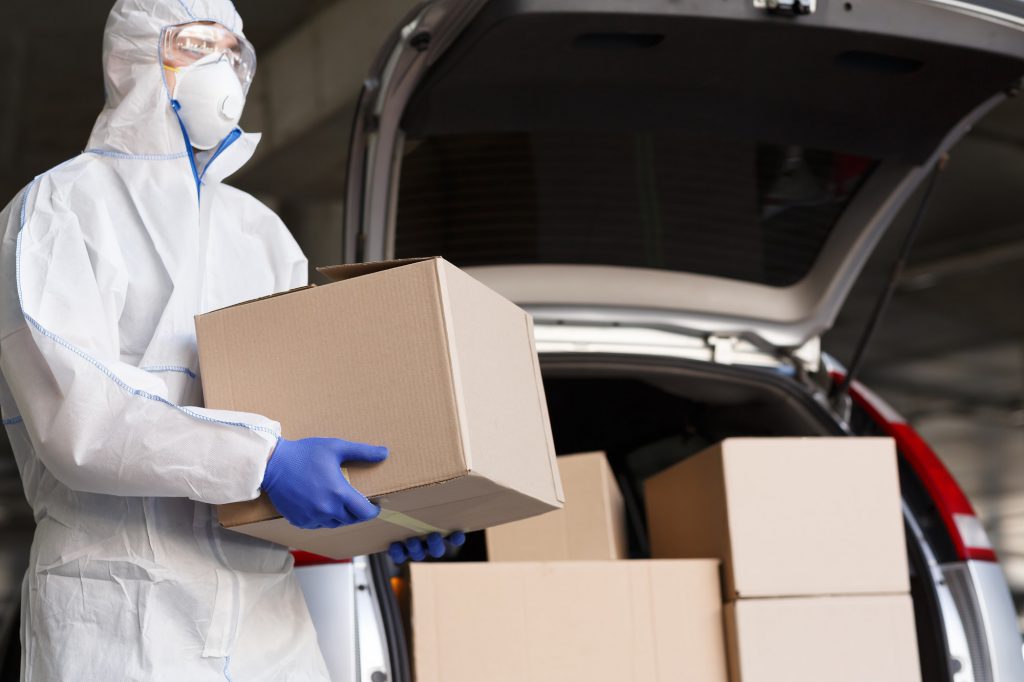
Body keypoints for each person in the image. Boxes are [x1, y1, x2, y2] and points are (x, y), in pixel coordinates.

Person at [0, 1, 458, 679]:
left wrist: (389, 513)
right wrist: (264, 461)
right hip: (122, 613)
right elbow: (80, 424)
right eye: (197, 45)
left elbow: (313, 415)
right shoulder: (59, 208)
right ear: (133, 57)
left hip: (266, 616)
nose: (225, 69)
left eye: (235, 52)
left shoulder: (259, 231)